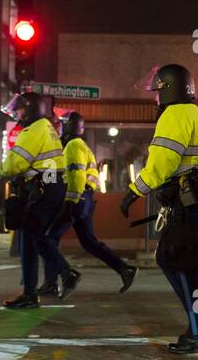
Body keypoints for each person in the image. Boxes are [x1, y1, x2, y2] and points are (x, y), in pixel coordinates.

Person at [120, 64, 198, 353]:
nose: (156, 99)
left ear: (168, 89)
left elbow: (161, 163)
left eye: (157, 92)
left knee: (177, 259)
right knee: (178, 259)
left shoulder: (175, 115)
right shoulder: (197, 114)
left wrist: (133, 191)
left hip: (191, 199)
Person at [44, 111, 137, 298]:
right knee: (90, 243)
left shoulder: (72, 146)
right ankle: (124, 269)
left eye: (62, 124)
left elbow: (76, 175)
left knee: (47, 240)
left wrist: (70, 202)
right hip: (85, 200)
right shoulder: (83, 146)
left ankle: (62, 277)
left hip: (76, 200)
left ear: (69, 127)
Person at [0, 91, 68, 309]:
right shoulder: (46, 127)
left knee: (33, 236)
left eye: (18, 110)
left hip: (42, 187)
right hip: (50, 185)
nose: (16, 115)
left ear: (29, 109)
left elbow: (16, 162)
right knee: (32, 237)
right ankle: (31, 291)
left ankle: (64, 272)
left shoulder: (33, 130)